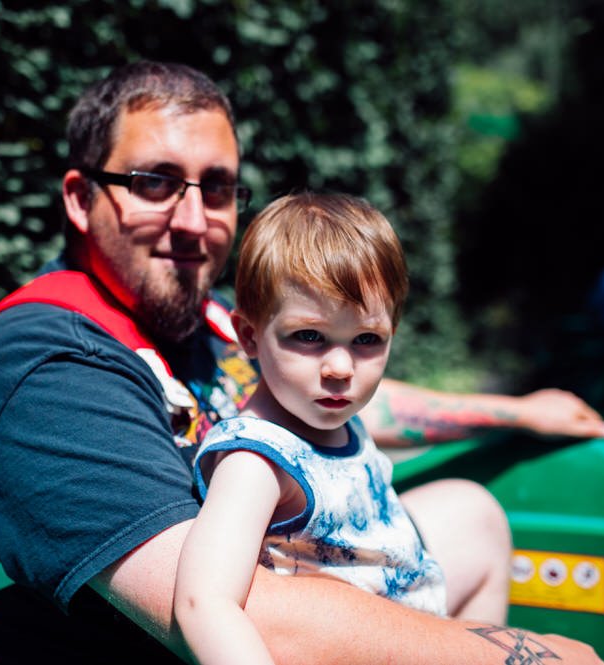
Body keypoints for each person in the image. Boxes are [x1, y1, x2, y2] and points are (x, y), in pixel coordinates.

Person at [0, 60, 604, 664]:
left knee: (472, 512)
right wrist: (517, 657)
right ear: (81, 200)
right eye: (155, 183)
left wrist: (519, 411)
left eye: (219, 188)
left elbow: (338, 396)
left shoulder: (205, 322)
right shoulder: (48, 368)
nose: (194, 219)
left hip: (286, 592)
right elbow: (225, 613)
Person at [174, 192, 447, 665]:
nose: (340, 367)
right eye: (309, 336)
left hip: (410, 635)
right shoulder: (257, 461)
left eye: (366, 340)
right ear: (250, 337)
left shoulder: (339, 418)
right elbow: (204, 603)